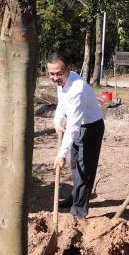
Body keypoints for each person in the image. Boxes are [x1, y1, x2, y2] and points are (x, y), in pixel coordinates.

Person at [47, 51, 104, 217]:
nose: (55, 77)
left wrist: (61, 154)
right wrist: (57, 121)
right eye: (51, 74)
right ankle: (74, 198)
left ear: (68, 69)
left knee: (85, 169)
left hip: (91, 128)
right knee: (75, 166)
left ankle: (79, 210)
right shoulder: (63, 82)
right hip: (79, 127)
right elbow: (62, 104)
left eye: (59, 73)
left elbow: (73, 126)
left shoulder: (77, 88)